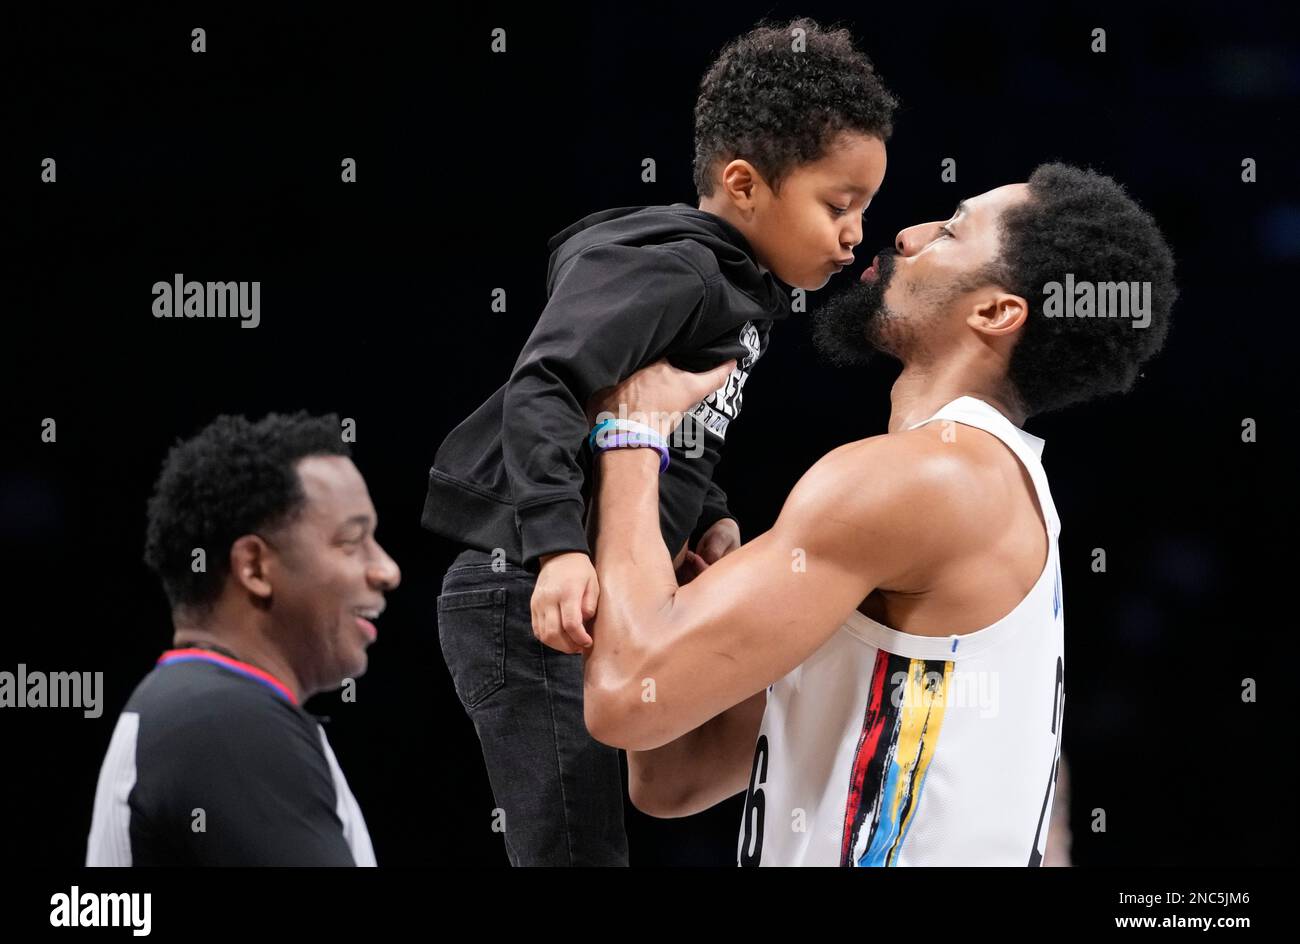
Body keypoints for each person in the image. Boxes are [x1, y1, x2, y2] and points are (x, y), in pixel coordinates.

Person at [582, 163, 1176, 866]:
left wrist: (630, 435)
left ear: (993, 312)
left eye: (952, 231)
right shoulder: (976, 486)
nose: (910, 233)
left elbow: (623, 698)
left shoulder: (927, 479)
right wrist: (664, 576)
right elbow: (674, 772)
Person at [422, 17, 895, 865]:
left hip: (572, 593)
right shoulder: (675, 269)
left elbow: (666, 422)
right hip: (522, 586)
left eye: (864, 208)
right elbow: (547, 384)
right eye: (839, 205)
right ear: (746, 185)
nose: (856, 235)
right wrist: (560, 548)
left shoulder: (739, 288)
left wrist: (703, 516)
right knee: (571, 848)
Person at [86, 411, 400, 866]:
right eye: (352, 542)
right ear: (253, 567)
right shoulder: (225, 720)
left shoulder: (203, 704)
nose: (388, 570)